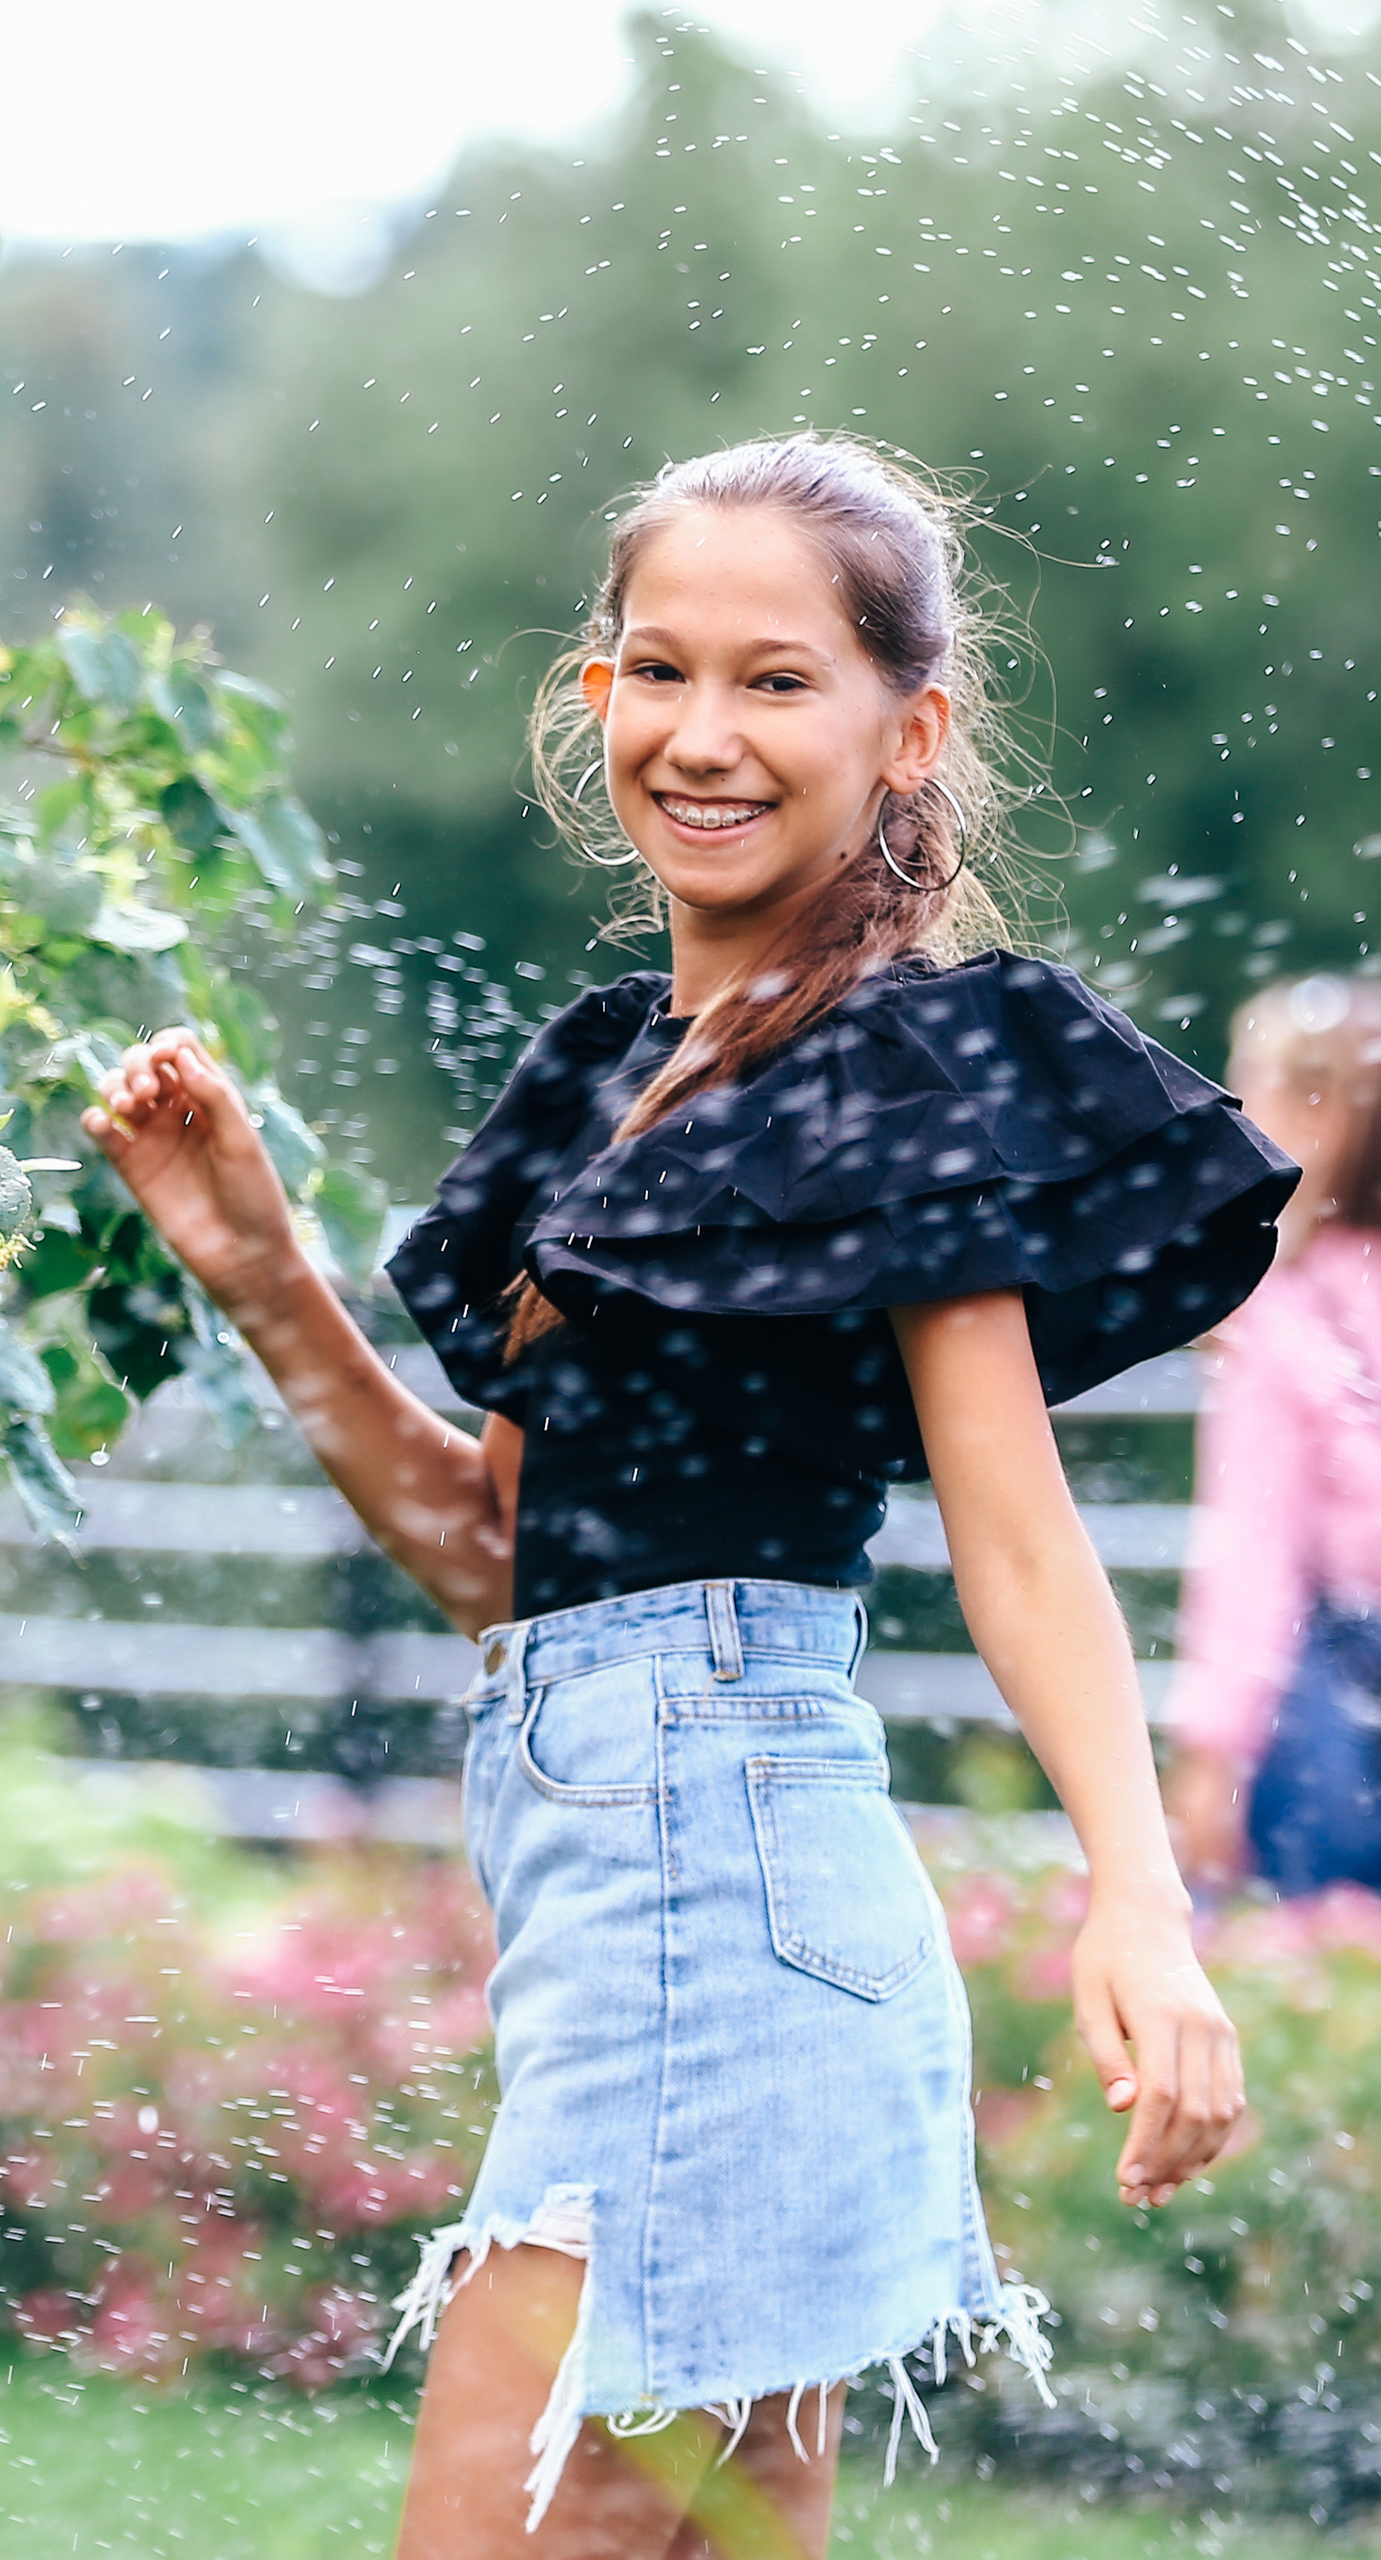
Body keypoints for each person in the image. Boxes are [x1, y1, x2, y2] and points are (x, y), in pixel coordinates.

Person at [81, 434, 1294, 2560]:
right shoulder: (605, 1073)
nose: (702, 734)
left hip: (718, 1901)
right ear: (592, 694)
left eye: (775, 680)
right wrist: (261, 1271)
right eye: (658, 671)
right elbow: (497, 1556)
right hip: (651, 1894)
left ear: (902, 729)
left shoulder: (902, 1071)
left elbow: (1010, 1526)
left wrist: (1134, 1889)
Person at [1168, 975, 1381, 1896]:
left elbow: (1254, 1558)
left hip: (1342, 1689)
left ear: (1326, 1115)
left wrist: (1212, 1753)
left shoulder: (1284, 1317)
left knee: (1329, 1979)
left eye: (1255, 1095)